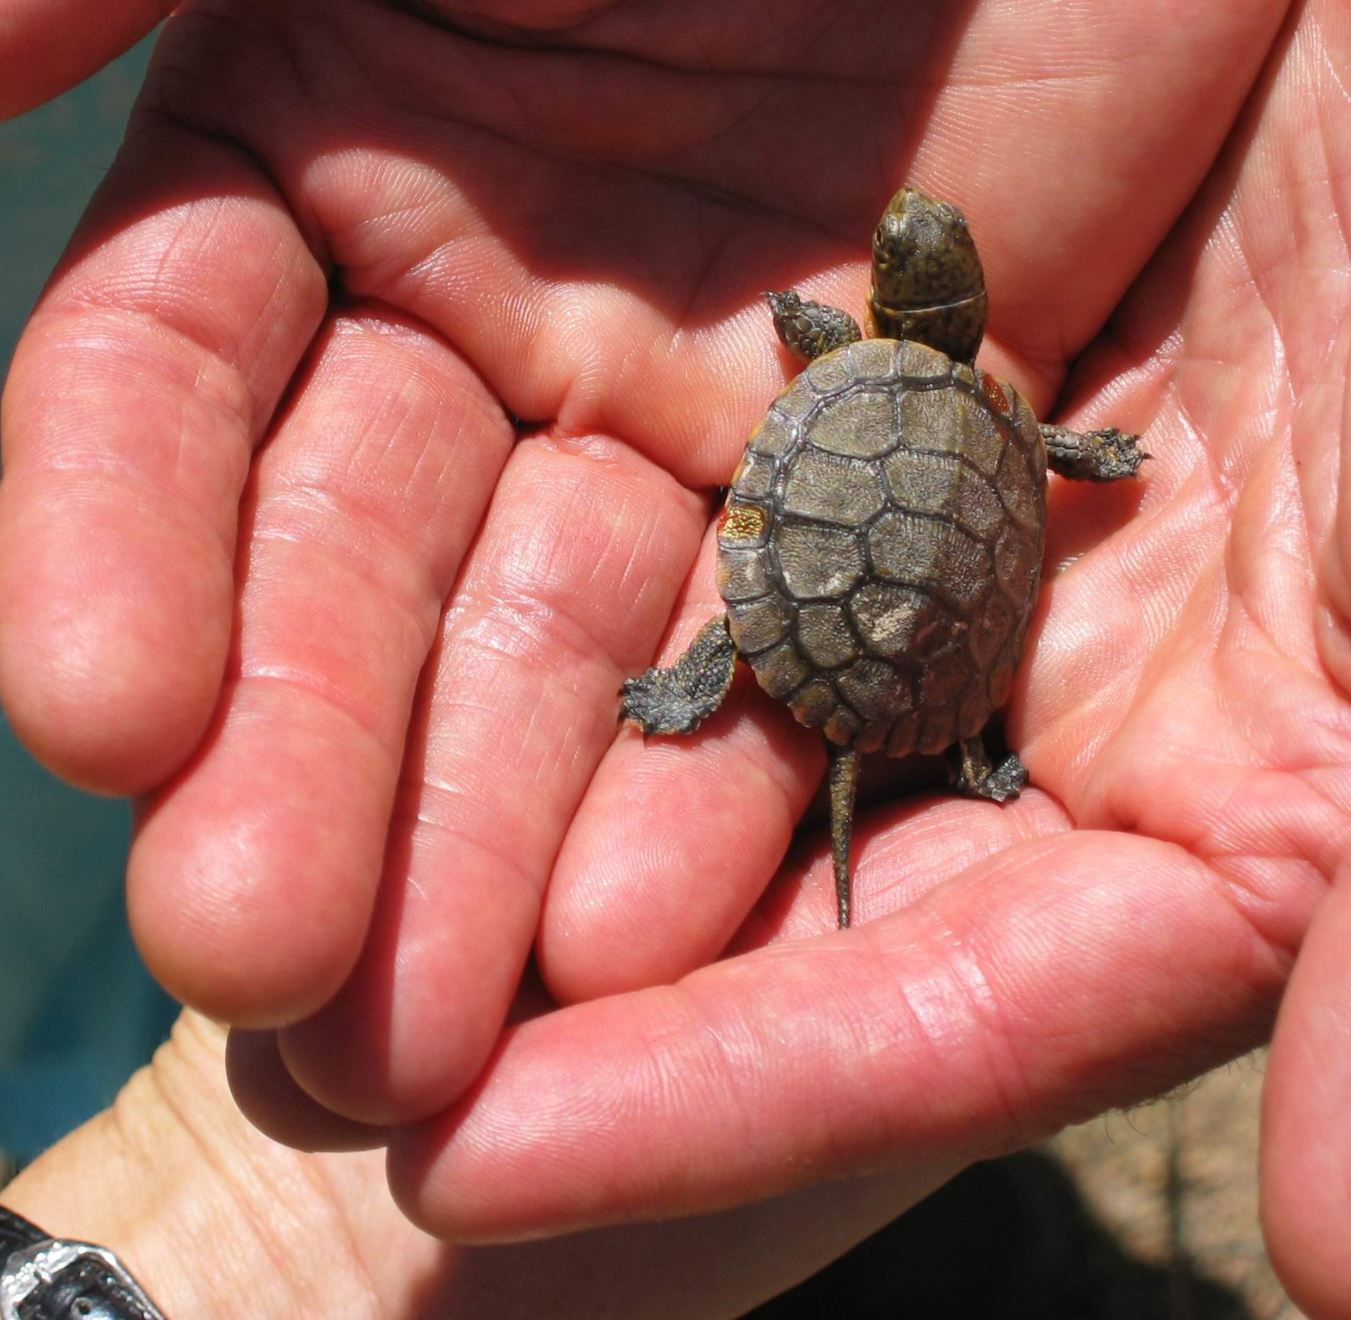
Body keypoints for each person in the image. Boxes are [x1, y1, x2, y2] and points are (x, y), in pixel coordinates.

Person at [1, 0, 1348, 1315]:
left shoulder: (850, 357)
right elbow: (1034, 473)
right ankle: (966, 751)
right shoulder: (1003, 416)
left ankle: (721, 685)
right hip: (946, 652)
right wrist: (1095, 460)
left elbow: (824, 356)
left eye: (902, 254)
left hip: (840, 572)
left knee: (722, 667)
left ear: (890, 300)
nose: (897, 250)